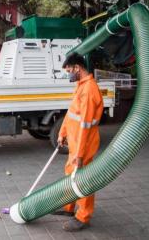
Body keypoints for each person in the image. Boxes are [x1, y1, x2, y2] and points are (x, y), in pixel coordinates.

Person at [53, 53, 104, 232]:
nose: (68, 74)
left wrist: (80, 154)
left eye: (69, 71)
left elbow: (85, 126)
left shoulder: (90, 90)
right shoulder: (80, 86)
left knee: (82, 180)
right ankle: (69, 207)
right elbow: (71, 113)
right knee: (70, 175)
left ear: (77, 68)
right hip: (74, 143)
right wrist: (63, 132)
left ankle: (83, 216)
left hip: (84, 144)